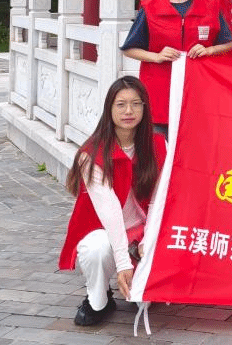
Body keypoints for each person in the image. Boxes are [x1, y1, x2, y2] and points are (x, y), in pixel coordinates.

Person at [59, 76, 167, 326]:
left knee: (143, 299)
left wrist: (148, 242)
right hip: (105, 230)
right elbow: (110, 213)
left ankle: (141, 280)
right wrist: (123, 264)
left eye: (136, 104)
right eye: (121, 104)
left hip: (143, 229)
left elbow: (159, 201)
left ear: (145, 108)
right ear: (109, 108)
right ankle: (98, 300)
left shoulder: (158, 145)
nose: (129, 111)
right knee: (96, 249)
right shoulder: (92, 154)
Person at [122, 0, 232, 134]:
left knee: (196, 148)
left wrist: (209, 50)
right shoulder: (150, 8)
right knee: (158, 148)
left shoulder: (210, 7)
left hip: (199, 95)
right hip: (159, 96)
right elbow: (129, 48)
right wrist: (156, 56)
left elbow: (229, 43)